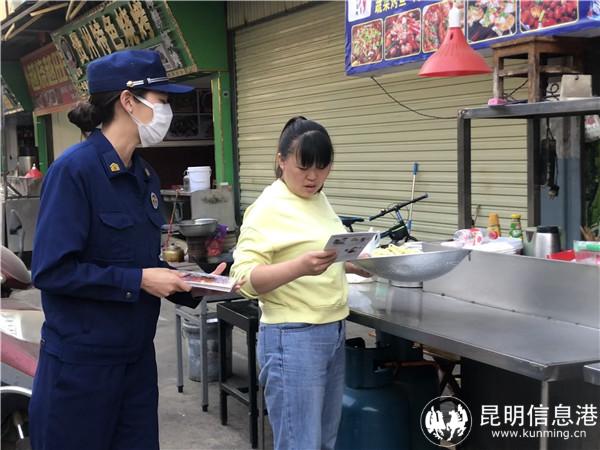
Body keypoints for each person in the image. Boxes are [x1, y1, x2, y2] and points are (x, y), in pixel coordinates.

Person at [29, 50, 234, 450]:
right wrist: (139, 280)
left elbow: (142, 264)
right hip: (82, 368)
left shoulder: (144, 177)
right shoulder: (74, 172)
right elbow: (51, 271)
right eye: (162, 100)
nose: (168, 112)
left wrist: (192, 284)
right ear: (128, 100)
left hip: (136, 363)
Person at [230, 116, 370, 450]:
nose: (313, 177)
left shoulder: (318, 199)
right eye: (303, 166)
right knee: (300, 443)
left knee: (324, 441)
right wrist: (299, 267)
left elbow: (325, 253)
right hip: (292, 338)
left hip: (332, 331)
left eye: (322, 167)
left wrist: (354, 262)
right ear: (281, 160)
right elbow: (243, 279)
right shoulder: (266, 208)